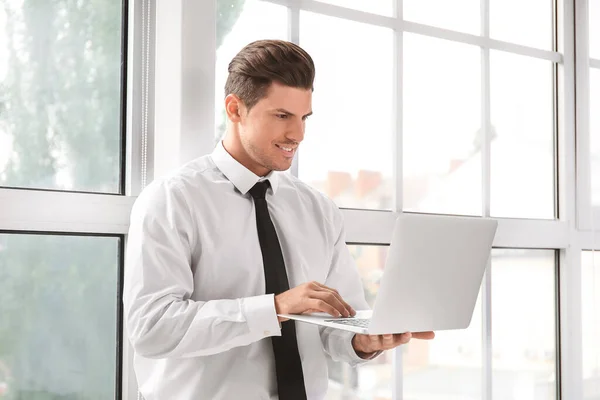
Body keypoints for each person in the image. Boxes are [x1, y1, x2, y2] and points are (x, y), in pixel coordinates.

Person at [123, 39, 434, 400]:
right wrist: (274, 308)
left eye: (304, 118)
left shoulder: (317, 209)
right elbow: (152, 328)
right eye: (282, 116)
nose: (298, 135)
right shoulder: (172, 200)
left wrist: (363, 340)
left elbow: (337, 323)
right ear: (235, 109)